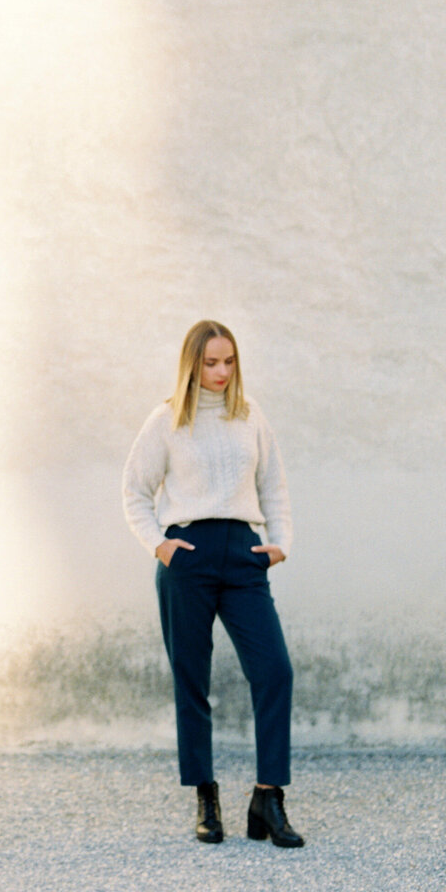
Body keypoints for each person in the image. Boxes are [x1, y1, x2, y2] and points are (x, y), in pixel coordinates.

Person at [122, 320, 304, 847]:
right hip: (190, 558)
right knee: (192, 680)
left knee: (275, 671)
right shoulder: (167, 421)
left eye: (229, 362)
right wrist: (158, 543)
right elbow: (135, 490)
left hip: (245, 558)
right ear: (192, 364)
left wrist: (281, 542)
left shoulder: (249, 417)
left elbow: (274, 486)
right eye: (210, 362)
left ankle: (268, 797)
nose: (221, 372)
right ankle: (205, 795)